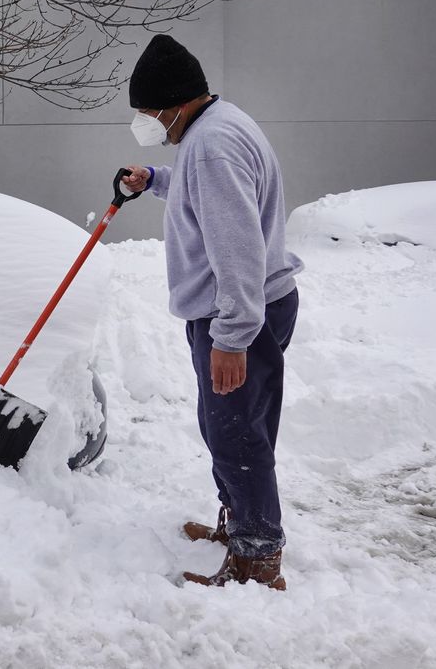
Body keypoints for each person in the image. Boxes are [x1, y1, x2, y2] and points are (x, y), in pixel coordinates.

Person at [120, 34, 303, 591]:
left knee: (236, 434)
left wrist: (232, 337)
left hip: (240, 313)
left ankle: (257, 557)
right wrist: (155, 180)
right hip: (250, 308)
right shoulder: (216, 128)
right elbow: (211, 195)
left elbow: (238, 249)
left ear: (174, 104)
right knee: (232, 425)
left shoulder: (212, 145)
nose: (146, 122)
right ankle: (240, 522)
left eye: (148, 112)